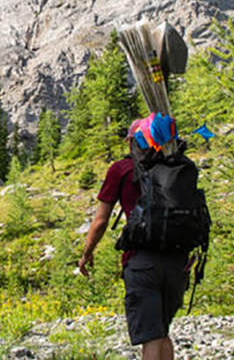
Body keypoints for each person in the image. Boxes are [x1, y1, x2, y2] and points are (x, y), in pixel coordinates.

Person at [77, 119, 193, 360]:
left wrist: (87, 252)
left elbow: (100, 221)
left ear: (133, 141)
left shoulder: (121, 169)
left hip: (142, 261)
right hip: (177, 261)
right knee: (163, 331)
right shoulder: (178, 168)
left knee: (151, 336)